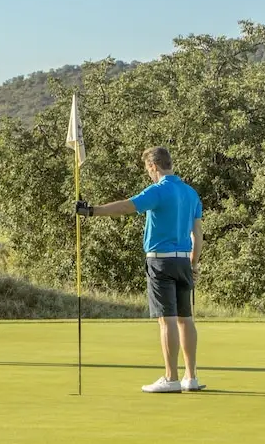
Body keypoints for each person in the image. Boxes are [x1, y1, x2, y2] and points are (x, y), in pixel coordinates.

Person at [74, 146, 204, 393]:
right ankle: (191, 377)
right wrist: (193, 263)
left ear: (154, 166)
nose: (149, 174)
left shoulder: (158, 190)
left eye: (148, 169)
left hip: (160, 261)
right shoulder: (190, 193)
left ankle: (171, 378)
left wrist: (91, 211)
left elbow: (126, 207)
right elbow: (197, 234)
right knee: (186, 319)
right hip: (183, 261)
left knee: (167, 321)